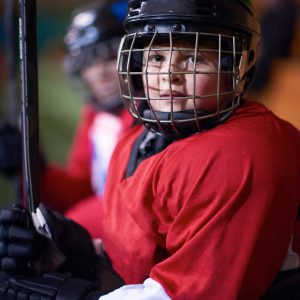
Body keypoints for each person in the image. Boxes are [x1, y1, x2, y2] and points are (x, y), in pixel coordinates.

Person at [0, 0, 300, 299]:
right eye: (156, 57)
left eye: (194, 59)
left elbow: (192, 292)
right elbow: (142, 255)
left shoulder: (240, 153)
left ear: (237, 66)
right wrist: (73, 255)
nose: (169, 75)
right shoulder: (140, 137)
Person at [40, 0, 133, 238]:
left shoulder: (149, 117)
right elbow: (82, 188)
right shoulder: (95, 116)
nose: (98, 73)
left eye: (110, 58)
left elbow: (129, 203)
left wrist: (69, 228)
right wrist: (35, 172)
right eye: (88, 63)